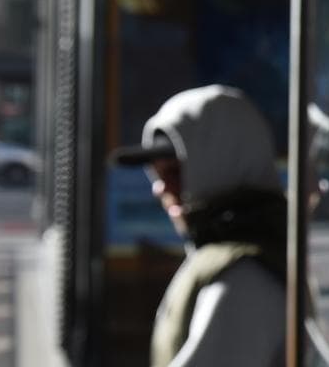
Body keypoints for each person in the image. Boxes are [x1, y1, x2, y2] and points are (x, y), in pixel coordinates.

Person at [114, 85, 286, 367]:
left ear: (224, 163)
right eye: (157, 174)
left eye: (174, 170)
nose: (161, 188)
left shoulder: (241, 280)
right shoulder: (231, 260)